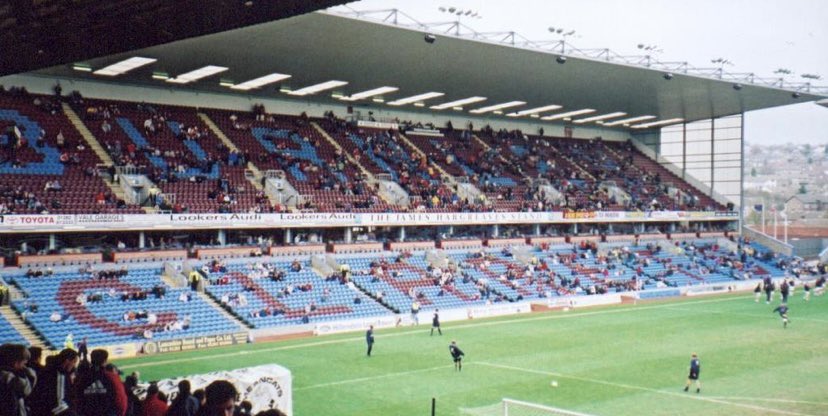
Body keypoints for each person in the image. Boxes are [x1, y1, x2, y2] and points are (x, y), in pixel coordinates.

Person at [73, 349, 127, 416]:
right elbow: (120, 398)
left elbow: (76, 397)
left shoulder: (81, 377)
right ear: (105, 361)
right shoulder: (112, 377)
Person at [29, 348, 78, 416]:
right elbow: (58, 403)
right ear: (67, 361)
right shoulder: (59, 375)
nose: (74, 365)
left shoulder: (48, 370)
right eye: (74, 362)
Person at [0, 343, 37, 416]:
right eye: (23, 363)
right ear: (16, 362)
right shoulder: (7, 377)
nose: (24, 366)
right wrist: (29, 374)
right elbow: (25, 390)